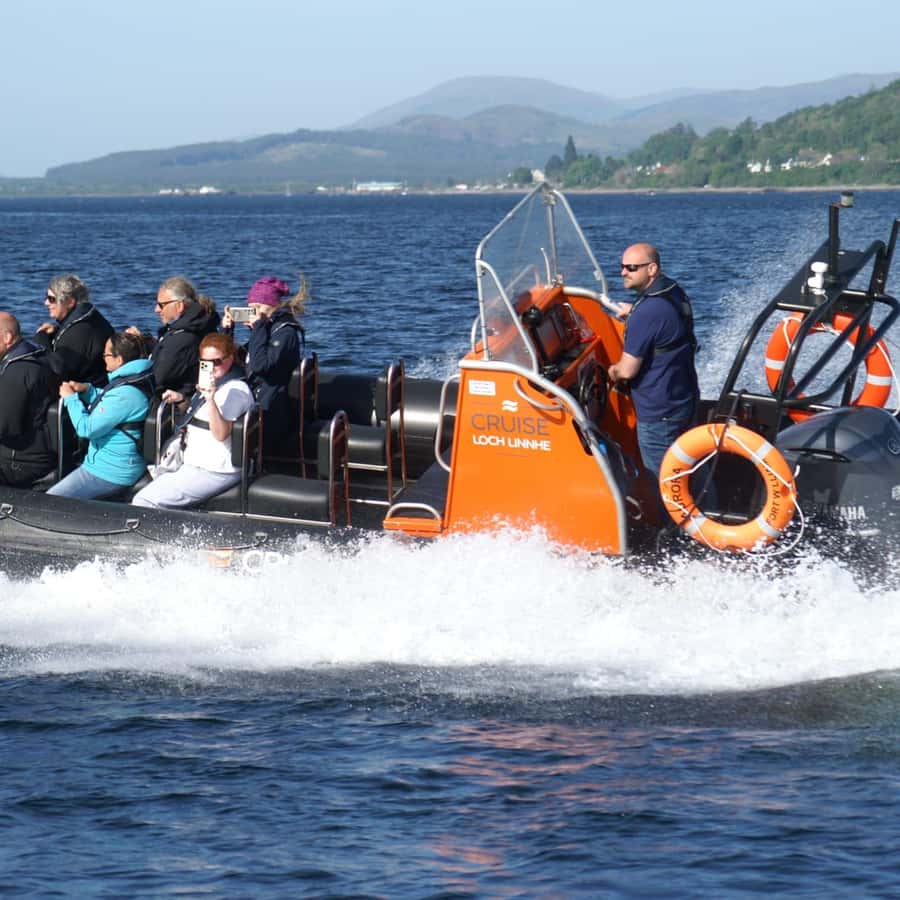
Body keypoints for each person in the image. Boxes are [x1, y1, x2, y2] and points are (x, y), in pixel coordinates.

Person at [607, 243, 699, 483]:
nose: (623, 272)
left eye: (631, 268)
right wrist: (634, 313)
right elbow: (664, 323)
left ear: (652, 269)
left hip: (659, 414)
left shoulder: (647, 313)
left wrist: (611, 371)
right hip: (684, 399)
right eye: (622, 267)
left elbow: (627, 371)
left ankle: (671, 510)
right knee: (692, 467)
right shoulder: (673, 291)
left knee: (666, 481)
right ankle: (707, 503)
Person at [132, 333, 254, 509]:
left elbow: (221, 433)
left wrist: (210, 399)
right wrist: (182, 399)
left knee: (144, 501)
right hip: (196, 462)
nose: (211, 368)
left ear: (230, 359)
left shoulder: (235, 391)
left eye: (217, 362)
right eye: (205, 363)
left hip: (215, 469)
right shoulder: (216, 383)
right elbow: (201, 415)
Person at [47, 332, 154, 500]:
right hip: (124, 462)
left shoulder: (124, 394)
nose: (103, 358)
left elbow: (86, 429)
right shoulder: (139, 378)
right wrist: (88, 390)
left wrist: (71, 399)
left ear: (119, 360)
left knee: (52, 500)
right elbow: (112, 406)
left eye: (106, 355)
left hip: (111, 471)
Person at [222, 276, 306, 447]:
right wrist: (227, 332)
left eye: (259, 307)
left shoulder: (286, 333)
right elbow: (231, 363)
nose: (255, 312)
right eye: (251, 308)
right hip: (253, 397)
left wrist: (259, 329)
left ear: (274, 306)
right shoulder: (265, 329)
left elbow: (260, 365)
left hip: (272, 407)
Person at [0, 312, 61, 487]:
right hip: (42, 450)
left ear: (7, 337)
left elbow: (5, 427)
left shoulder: (17, 372)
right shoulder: (38, 355)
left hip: (20, 461)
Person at [132, 276, 218, 397]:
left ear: (179, 306)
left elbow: (158, 378)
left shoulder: (181, 339)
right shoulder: (196, 326)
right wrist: (143, 342)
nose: (156, 309)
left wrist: (133, 351)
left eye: (161, 305)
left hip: (173, 400)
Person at [34, 274, 115, 385]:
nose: (46, 303)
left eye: (52, 299)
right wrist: (56, 332)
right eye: (46, 297)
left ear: (70, 302)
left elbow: (56, 372)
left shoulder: (79, 331)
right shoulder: (91, 318)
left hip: (87, 391)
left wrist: (42, 340)